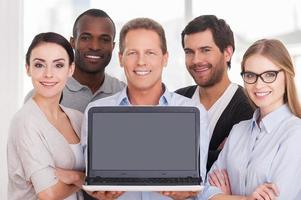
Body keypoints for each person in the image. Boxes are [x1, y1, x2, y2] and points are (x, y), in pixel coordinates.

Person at [81, 18, 210, 200]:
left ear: (165, 58)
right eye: (133, 53)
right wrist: (99, 192)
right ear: (120, 58)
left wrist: (189, 191)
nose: (141, 62)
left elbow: (199, 182)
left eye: (150, 52)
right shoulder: (97, 111)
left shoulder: (192, 111)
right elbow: (94, 176)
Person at [201, 39, 301, 200]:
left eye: (270, 75)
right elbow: (205, 192)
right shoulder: (238, 130)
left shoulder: (296, 135)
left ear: (287, 75)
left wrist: (225, 196)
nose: (258, 85)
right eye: (250, 75)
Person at [7, 32, 85, 199]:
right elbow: (48, 193)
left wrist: (70, 176)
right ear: (28, 69)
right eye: (39, 65)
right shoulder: (25, 121)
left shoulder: (78, 118)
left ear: (70, 69)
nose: (48, 74)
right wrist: (79, 177)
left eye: (58, 65)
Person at [176, 15, 254, 172]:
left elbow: (232, 169)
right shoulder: (176, 100)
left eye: (205, 50)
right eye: (189, 52)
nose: (196, 60)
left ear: (227, 53)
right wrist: (216, 155)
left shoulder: (248, 108)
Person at [25, 9, 125, 113]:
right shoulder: (42, 95)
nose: (95, 47)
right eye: (86, 38)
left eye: (104, 40)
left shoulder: (123, 92)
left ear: (113, 46)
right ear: (73, 42)